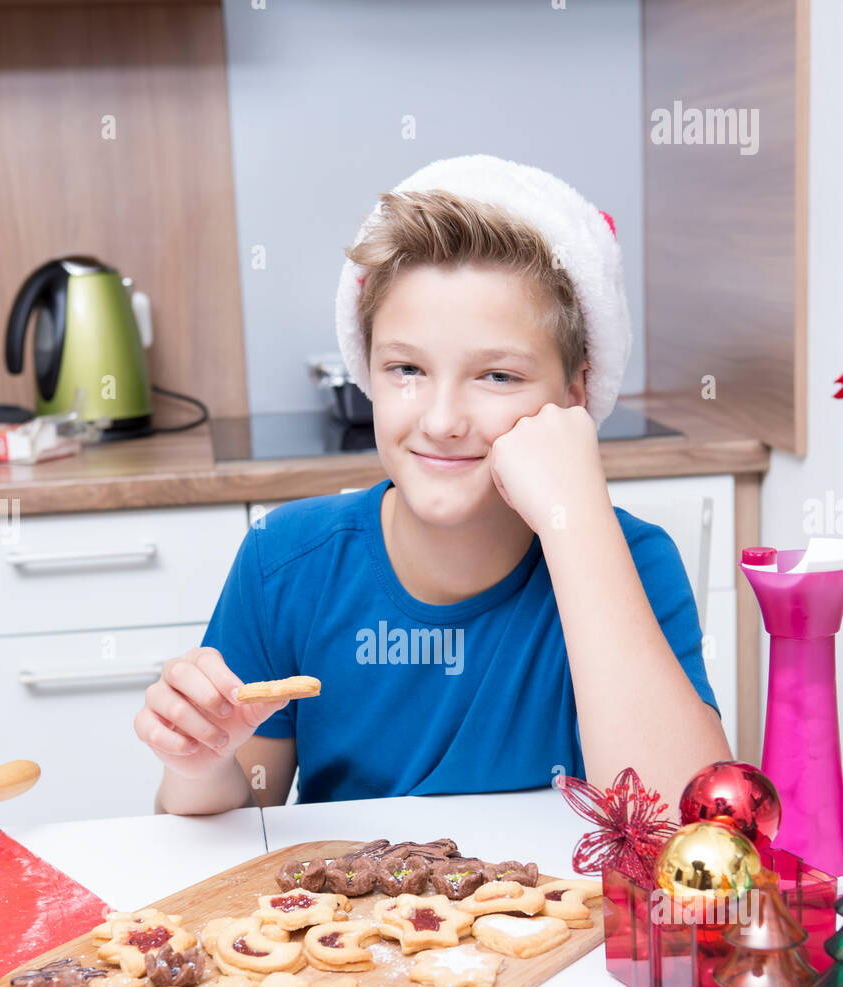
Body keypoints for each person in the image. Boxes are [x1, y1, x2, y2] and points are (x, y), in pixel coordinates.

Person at [135, 154, 731, 817]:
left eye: (497, 376)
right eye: (407, 368)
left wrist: (577, 518)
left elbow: (688, 835)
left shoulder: (634, 562)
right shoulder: (284, 562)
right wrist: (200, 768)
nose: (443, 421)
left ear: (575, 394)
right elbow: (235, 838)